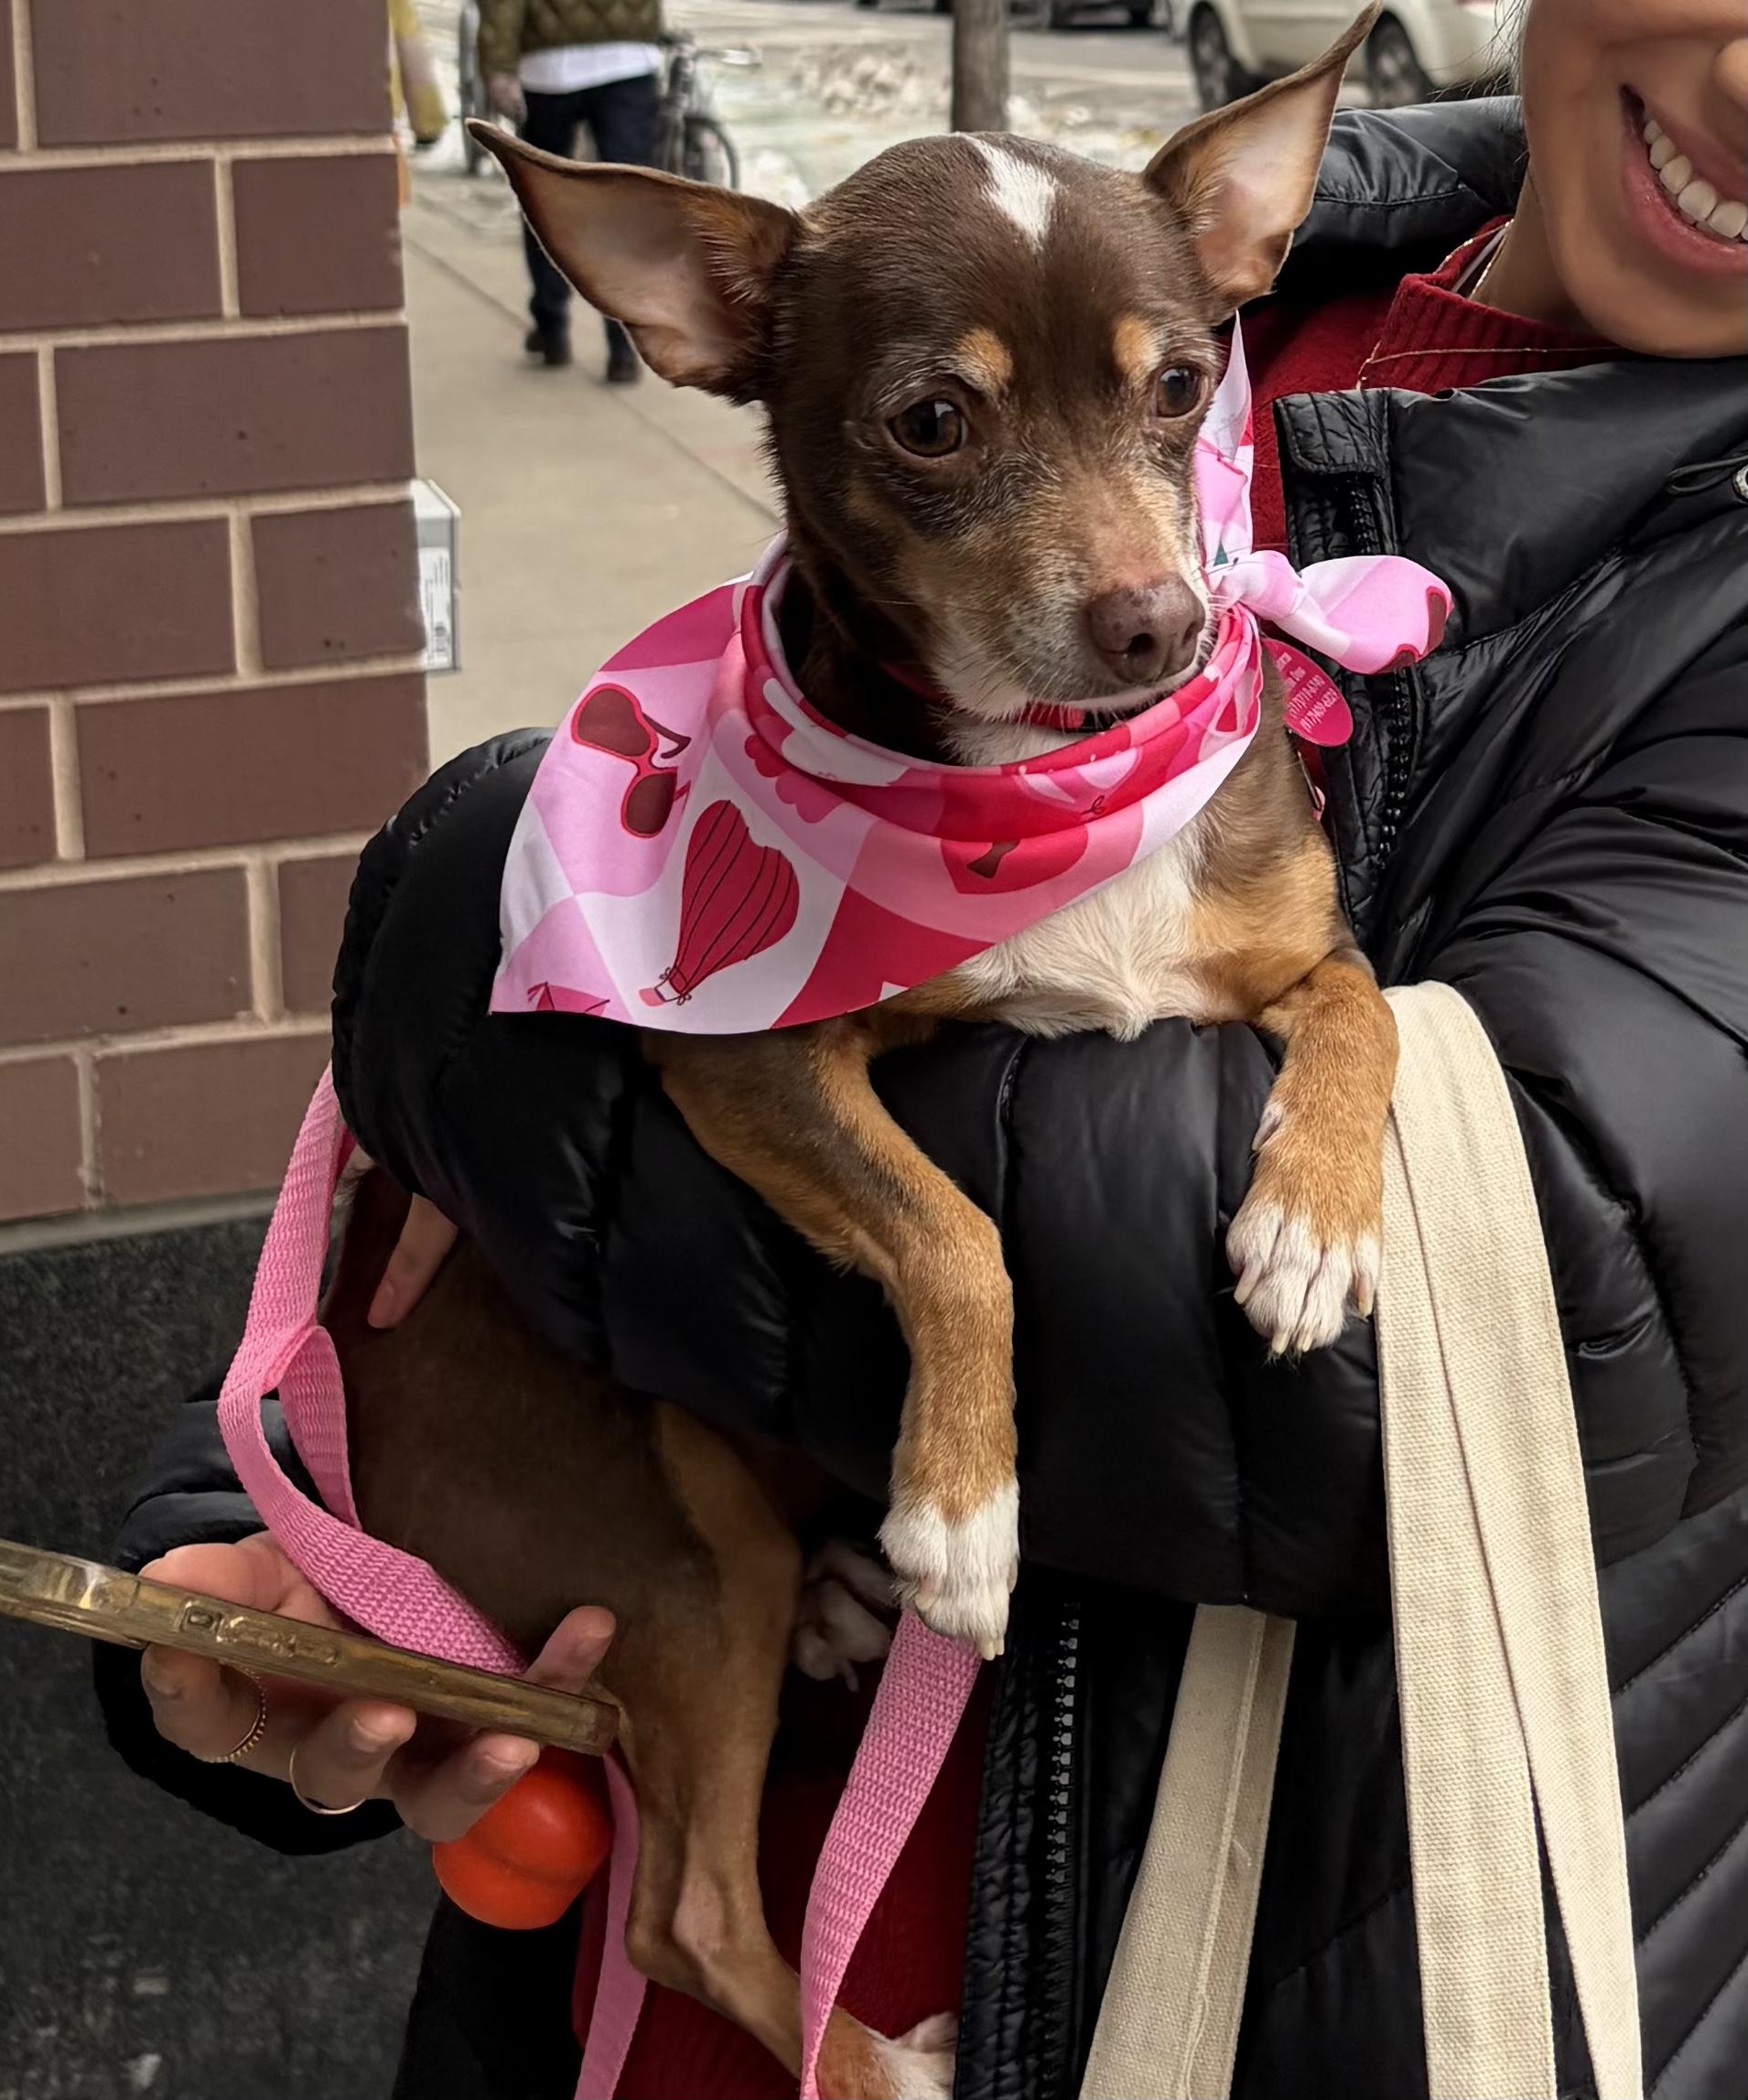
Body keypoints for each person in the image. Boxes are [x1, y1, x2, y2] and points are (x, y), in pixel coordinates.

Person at [98, 1, 1748, 2092]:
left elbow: (1477, 1330)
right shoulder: (1138, 268)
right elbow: (608, 945)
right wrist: (275, 1518)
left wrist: (463, 953)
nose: (1137, 589)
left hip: (1237, 1979)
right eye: (946, 429)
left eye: (1159, 407)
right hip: (647, 1907)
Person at [478, 0, 662, 383]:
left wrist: (498, 66)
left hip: (549, 69)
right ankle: (625, 346)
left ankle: (551, 326)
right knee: (628, 206)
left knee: (543, 197)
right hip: (629, 61)